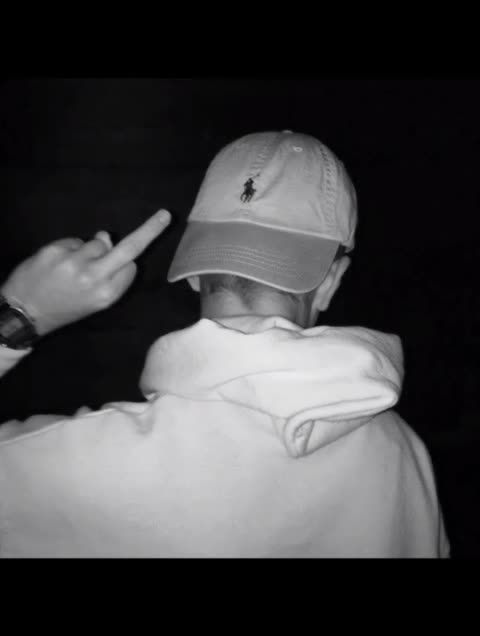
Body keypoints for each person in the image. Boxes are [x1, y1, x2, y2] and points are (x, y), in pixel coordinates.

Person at [0, 131, 449, 558]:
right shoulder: (404, 455)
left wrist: (22, 314)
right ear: (331, 281)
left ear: (193, 274)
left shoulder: (87, 468)